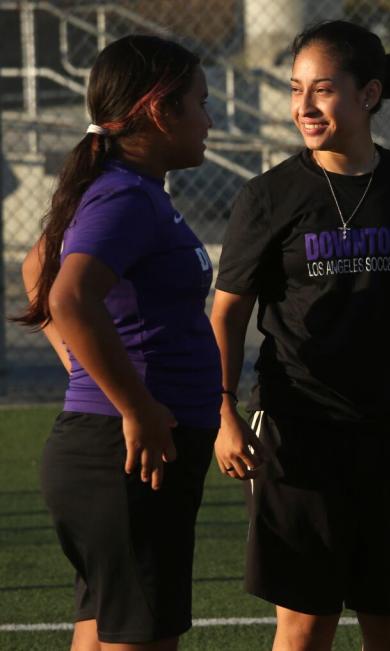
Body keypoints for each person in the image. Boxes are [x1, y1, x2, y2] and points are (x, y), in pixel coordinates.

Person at [211, 20, 390, 651]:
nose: (303, 106)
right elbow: (228, 314)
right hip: (300, 433)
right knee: (304, 621)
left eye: (321, 89)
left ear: (369, 95)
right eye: (296, 89)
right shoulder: (268, 196)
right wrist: (224, 412)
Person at [16, 35, 219, 649]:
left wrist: (88, 371)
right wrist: (133, 405)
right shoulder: (126, 195)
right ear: (161, 112)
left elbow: (37, 266)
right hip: (130, 457)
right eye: (200, 103)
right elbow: (66, 297)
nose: (209, 120)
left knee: (103, 630)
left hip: (115, 453)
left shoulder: (124, 187)